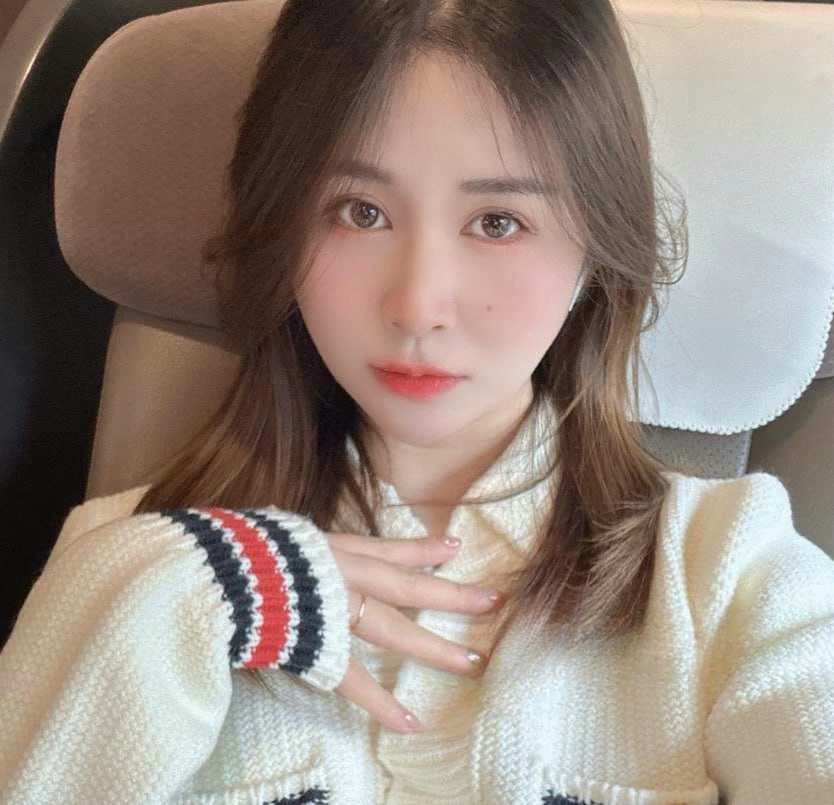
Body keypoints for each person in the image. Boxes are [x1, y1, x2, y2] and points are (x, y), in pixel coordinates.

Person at [2, 0, 833, 803]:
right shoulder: (127, 565)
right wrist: (175, 599)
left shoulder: (730, 574)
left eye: (497, 221)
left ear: (595, 252)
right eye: (360, 212)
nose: (417, 306)